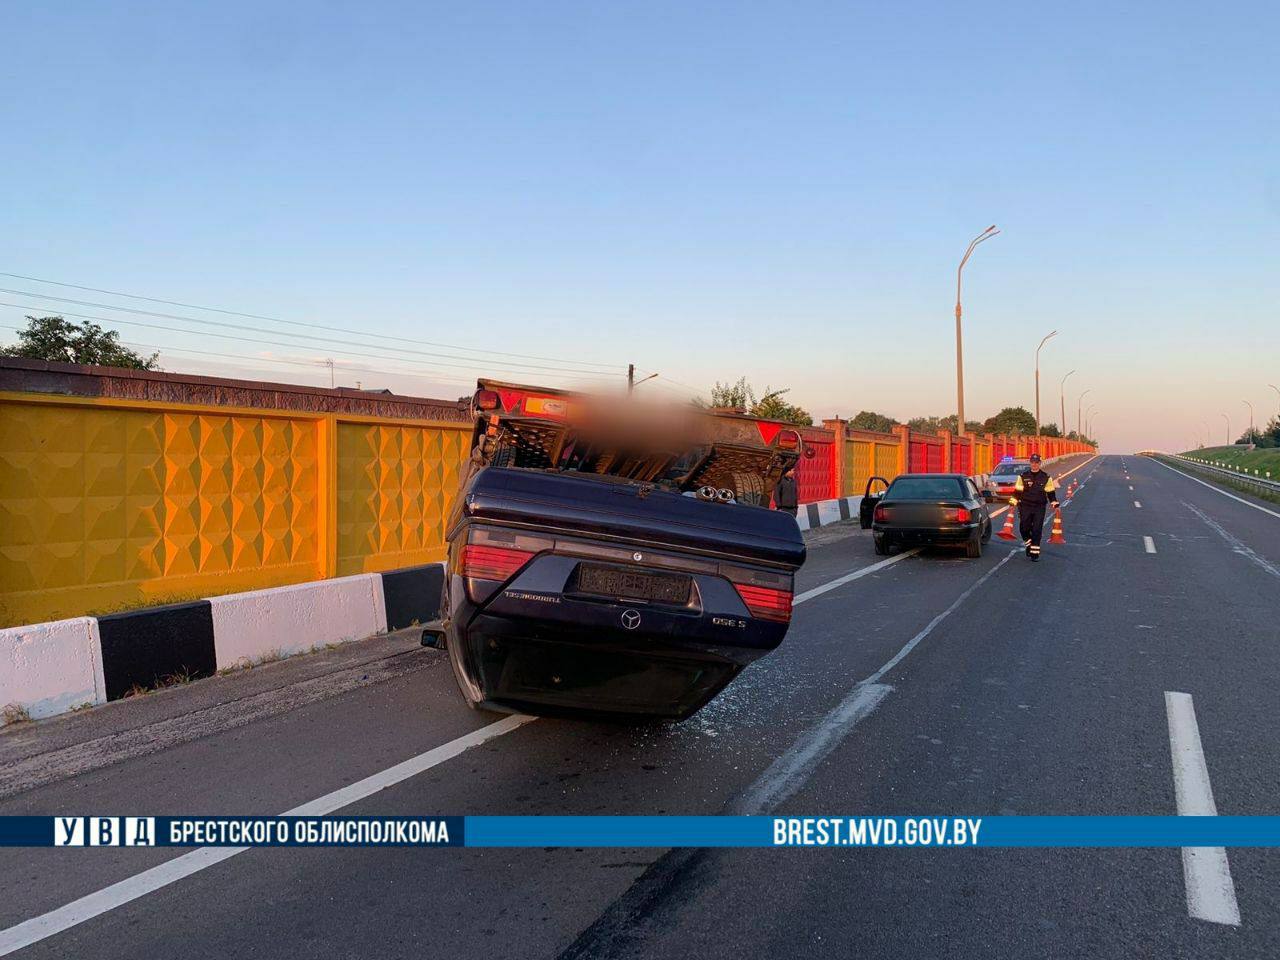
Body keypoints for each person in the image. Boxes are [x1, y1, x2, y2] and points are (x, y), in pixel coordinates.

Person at [1013, 453, 1059, 561]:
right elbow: (1017, 492)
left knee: (1037, 530)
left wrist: (1055, 504)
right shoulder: (1023, 477)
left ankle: (1034, 554)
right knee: (1024, 528)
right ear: (1030, 463)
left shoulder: (1046, 478)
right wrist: (1012, 503)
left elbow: (1051, 493)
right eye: (1032, 462)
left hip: (1039, 507)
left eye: (1037, 462)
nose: (1034, 464)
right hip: (1025, 506)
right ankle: (1029, 543)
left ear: (1040, 463)